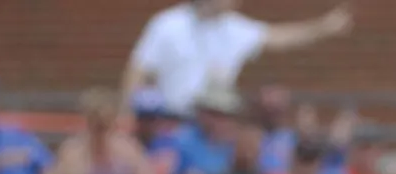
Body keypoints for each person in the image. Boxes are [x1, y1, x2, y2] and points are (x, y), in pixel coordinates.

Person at [122, 0, 353, 118]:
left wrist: (323, 27)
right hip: (171, 120)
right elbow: (138, 70)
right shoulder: (168, 24)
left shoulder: (236, 29)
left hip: (214, 122)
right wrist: (127, 112)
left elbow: (279, 37)